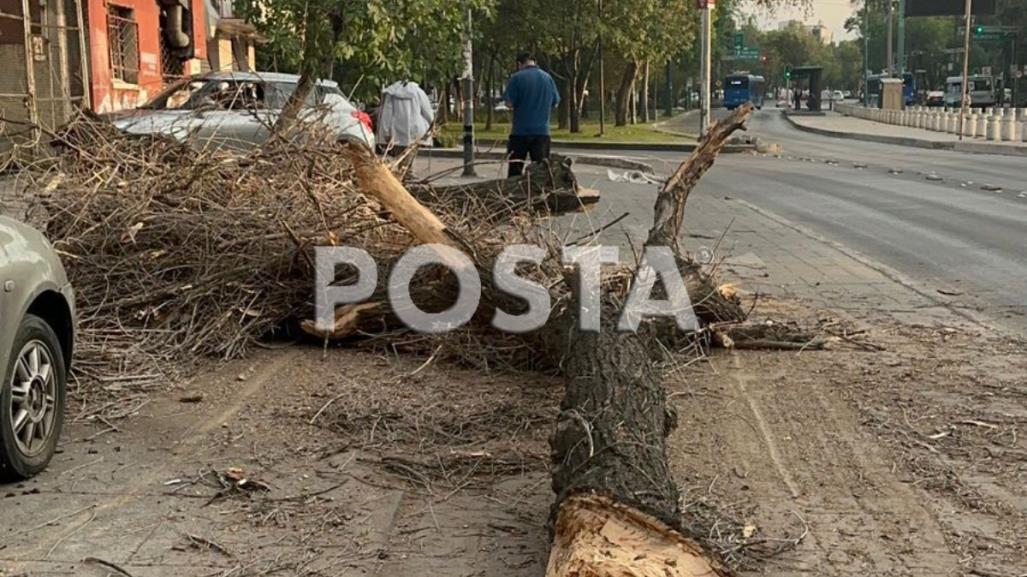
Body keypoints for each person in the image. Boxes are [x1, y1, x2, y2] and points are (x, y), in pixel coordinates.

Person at [502, 52, 560, 177]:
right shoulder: (548, 78)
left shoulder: (516, 78)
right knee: (541, 173)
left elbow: (509, 103)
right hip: (542, 132)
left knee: (515, 171)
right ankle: (540, 195)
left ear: (519, 64)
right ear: (535, 62)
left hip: (520, 132)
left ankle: (515, 195)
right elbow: (555, 103)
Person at [376, 80, 434, 175]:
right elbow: (427, 110)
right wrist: (432, 123)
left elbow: (387, 114)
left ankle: (403, 171)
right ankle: (408, 171)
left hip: (396, 130)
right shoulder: (418, 92)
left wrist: (385, 131)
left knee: (400, 155)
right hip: (414, 128)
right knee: (411, 152)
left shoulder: (391, 94)